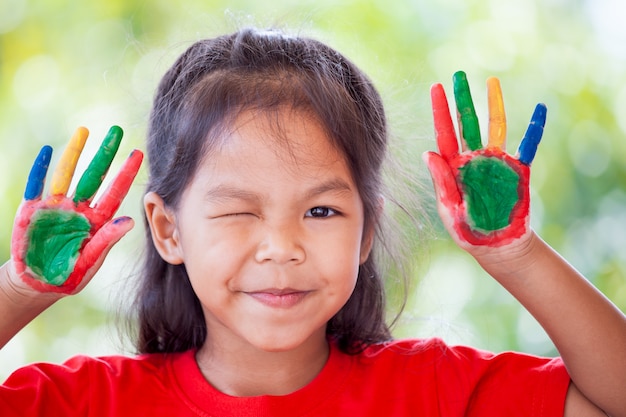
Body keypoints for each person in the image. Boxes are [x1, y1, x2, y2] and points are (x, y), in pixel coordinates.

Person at [0, 27, 624, 416]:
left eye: (321, 210)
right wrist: (19, 290)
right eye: (239, 211)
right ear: (168, 230)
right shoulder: (84, 404)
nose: (281, 247)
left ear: (367, 231)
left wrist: (513, 254)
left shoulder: (435, 392)